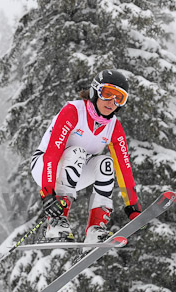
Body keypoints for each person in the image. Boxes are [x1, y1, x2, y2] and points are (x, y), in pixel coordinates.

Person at [30, 69, 142, 243]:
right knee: (77, 152)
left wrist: (132, 206)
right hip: (45, 167)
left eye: (118, 98)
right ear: (95, 91)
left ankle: (95, 230)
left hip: (77, 171)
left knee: (106, 163)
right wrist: (48, 193)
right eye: (107, 94)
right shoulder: (74, 111)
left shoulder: (113, 127)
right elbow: (52, 154)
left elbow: (124, 168)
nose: (111, 102)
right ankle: (57, 222)